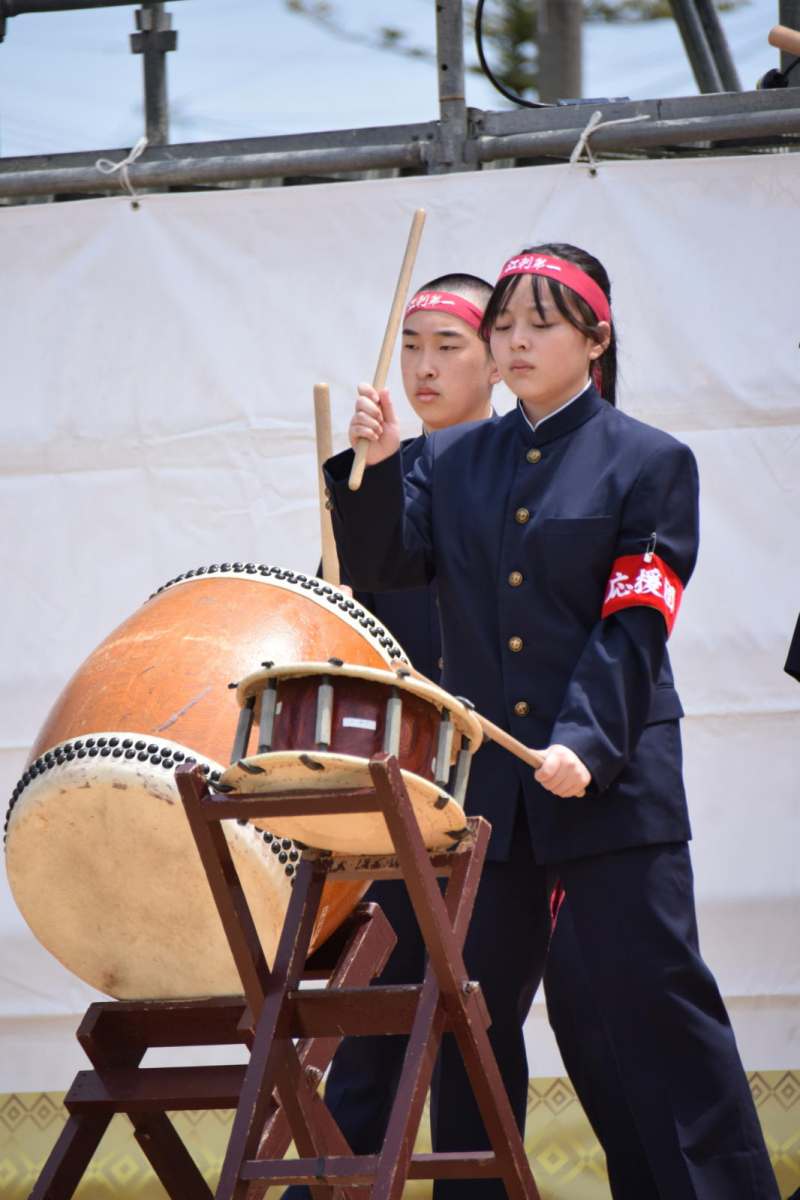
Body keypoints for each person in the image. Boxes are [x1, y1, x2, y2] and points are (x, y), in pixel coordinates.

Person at [322, 244, 779, 1199]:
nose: (516, 342)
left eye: (540, 325)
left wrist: (586, 741)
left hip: (613, 783)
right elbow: (382, 568)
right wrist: (369, 467)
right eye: (505, 327)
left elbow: (636, 619)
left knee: (648, 1015)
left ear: (595, 338)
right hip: (491, 798)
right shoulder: (447, 458)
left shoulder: (650, 461)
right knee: (463, 1024)